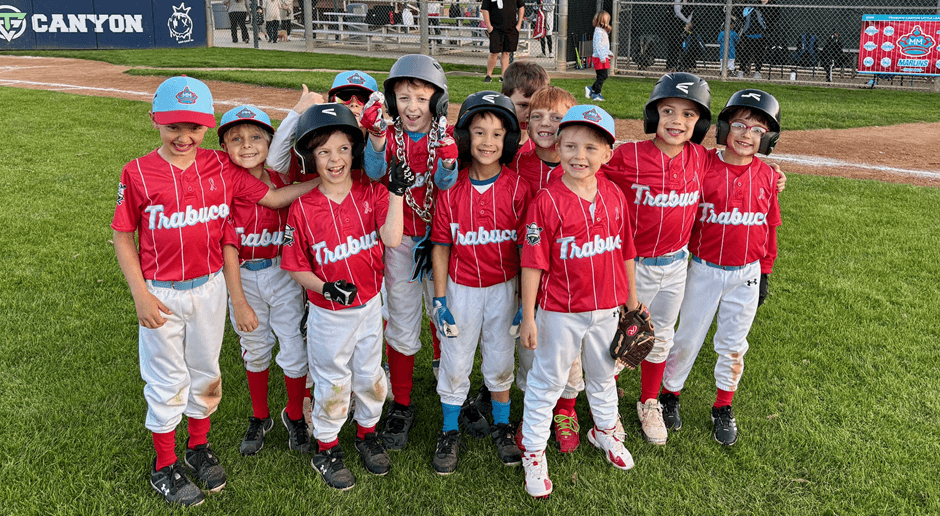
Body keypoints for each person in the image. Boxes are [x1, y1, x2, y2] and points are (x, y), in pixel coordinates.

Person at [111, 76, 320, 507]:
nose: (184, 136)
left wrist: (329, 181)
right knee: (168, 379)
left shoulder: (219, 167)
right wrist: (139, 294)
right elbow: (122, 235)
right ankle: (164, 465)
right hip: (161, 292)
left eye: (194, 127)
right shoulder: (137, 172)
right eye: (173, 126)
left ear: (206, 128)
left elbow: (274, 198)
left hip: (209, 288)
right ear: (154, 121)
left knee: (205, 371)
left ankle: (197, 446)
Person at [281, 103, 408, 490]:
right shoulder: (302, 207)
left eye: (342, 149)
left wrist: (397, 194)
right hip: (328, 313)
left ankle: (367, 434)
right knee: (333, 381)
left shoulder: (369, 192)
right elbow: (295, 265)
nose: (334, 159)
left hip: (369, 306)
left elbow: (392, 239)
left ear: (355, 151)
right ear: (310, 157)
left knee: (370, 377)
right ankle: (327, 446)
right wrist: (324, 287)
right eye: (323, 152)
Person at [518, 105, 639, 499]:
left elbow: (625, 252)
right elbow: (533, 263)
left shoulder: (615, 196)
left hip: (606, 308)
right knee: (547, 382)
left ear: (608, 153)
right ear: (558, 145)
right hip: (560, 310)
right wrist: (531, 316)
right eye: (570, 145)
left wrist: (632, 303)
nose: (578, 156)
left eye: (590, 147)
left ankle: (604, 432)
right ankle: (534, 452)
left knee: (602, 376)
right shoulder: (545, 201)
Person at [661, 89, 782, 446]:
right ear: (724, 127)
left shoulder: (768, 177)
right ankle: (670, 395)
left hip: (746, 272)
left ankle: (723, 405)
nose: (747, 135)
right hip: (703, 268)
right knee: (686, 338)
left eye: (758, 130)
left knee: (733, 344)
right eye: (740, 125)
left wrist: (766, 272)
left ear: (768, 138)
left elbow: (770, 228)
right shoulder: (703, 165)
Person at [598, 72, 711, 447]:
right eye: (667, 111)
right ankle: (607, 405)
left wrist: (773, 174)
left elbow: (733, 164)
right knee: (623, 335)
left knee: (660, 336)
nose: (677, 121)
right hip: (636, 266)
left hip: (677, 264)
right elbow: (588, 167)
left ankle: (649, 402)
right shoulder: (629, 155)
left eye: (688, 115)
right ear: (653, 115)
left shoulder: (700, 158)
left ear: (700, 123)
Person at [359, 54, 459, 451]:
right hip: (399, 239)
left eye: (421, 97)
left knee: (444, 314)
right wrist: (377, 141)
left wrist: (449, 161)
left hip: (440, 241)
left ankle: (449, 381)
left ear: (437, 101)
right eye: (403, 97)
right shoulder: (389, 132)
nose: (412, 107)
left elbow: (446, 185)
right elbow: (370, 171)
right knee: (401, 318)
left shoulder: (443, 133)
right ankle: (401, 401)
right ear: (391, 100)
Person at [429, 91, 528, 474]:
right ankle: (449, 429)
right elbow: (441, 246)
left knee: (501, 358)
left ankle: (503, 425)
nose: (488, 142)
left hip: (503, 288)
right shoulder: (451, 188)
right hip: (461, 287)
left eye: (497, 134)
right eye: (479, 132)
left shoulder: (518, 188)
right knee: (455, 361)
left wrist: (521, 299)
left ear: (509, 141)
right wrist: (440, 299)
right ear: (465, 137)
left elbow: (523, 252)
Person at [217, 105, 310, 457]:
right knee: (255, 347)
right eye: (235, 139)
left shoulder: (284, 179)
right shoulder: (223, 187)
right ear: (224, 147)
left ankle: (296, 416)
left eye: (256, 137)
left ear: (271, 142)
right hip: (242, 275)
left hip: (284, 273)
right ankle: (260, 416)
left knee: (293, 345)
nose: (246, 145)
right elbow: (227, 246)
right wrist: (238, 300)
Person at [506, 85, 586, 454]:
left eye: (556, 117)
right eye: (536, 115)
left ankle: (566, 408)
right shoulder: (516, 160)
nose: (545, 124)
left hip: (568, 272)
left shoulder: (581, 165)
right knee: (530, 343)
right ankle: (533, 409)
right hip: (524, 267)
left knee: (568, 347)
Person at [267, 71, 378, 184]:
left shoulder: (384, 145)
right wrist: (297, 112)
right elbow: (274, 161)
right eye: (345, 97)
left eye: (364, 99)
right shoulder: (316, 144)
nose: (354, 104)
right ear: (331, 103)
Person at [501, 61, 549, 147]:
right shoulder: (494, 138)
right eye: (523, 105)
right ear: (505, 98)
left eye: (537, 105)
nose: (529, 114)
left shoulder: (548, 141)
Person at [482, 0, 525, 83]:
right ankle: (489, 75)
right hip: (495, 29)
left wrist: (519, 24)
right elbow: (485, 9)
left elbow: (521, 7)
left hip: (511, 28)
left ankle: (504, 76)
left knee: (506, 53)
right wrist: (489, 27)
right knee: (494, 52)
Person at [737, 0, 778, 79]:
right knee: (746, 53)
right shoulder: (754, 4)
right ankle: (741, 71)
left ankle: (757, 71)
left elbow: (774, 18)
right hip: (749, 34)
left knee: (759, 53)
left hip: (762, 34)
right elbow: (743, 16)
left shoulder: (772, 4)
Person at [586, 10, 613, 102]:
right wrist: (602, 57)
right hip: (599, 58)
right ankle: (596, 94)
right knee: (601, 76)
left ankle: (591, 89)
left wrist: (608, 53)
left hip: (602, 56)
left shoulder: (602, 31)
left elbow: (604, 45)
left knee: (604, 76)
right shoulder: (598, 32)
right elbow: (598, 46)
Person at [666, 0, 693, 72]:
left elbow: (691, 13)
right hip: (675, 24)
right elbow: (677, 12)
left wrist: (688, 24)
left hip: (683, 25)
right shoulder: (678, 1)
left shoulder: (690, 2)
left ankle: (683, 65)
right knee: (674, 44)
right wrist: (687, 21)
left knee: (682, 45)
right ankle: (671, 65)